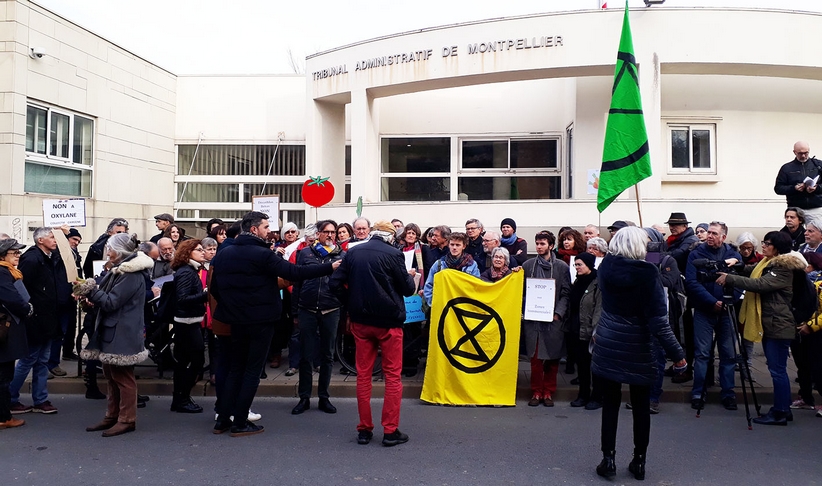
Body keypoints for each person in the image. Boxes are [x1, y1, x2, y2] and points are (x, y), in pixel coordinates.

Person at [210, 211, 337, 437]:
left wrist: (234, 306)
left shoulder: (223, 254)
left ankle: (222, 420)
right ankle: (239, 421)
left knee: (235, 368)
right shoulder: (263, 254)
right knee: (252, 370)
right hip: (260, 320)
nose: (269, 231)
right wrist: (330, 267)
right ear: (253, 229)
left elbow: (215, 290)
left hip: (235, 320)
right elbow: (295, 273)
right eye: (266, 227)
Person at [592, 227, 686, 480]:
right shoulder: (647, 273)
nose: (648, 246)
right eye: (645, 242)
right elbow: (659, 321)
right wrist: (678, 354)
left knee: (610, 405)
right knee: (641, 406)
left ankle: (608, 459)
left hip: (609, 339)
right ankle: (639, 461)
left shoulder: (606, 267)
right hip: (638, 344)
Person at [328, 220, 416, 447]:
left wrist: (350, 303)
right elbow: (408, 289)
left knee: (363, 375)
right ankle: (390, 430)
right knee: (393, 376)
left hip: (361, 321)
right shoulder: (394, 254)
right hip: (388, 322)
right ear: (390, 236)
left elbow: (334, 283)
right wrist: (408, 275)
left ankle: (365, 429)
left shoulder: (353, 253)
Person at [716, 231, 806, 425]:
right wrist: (737, 265)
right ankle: (782, 408)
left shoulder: (783, 268)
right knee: (776, 368)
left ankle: (781, 411)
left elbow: (760, 284)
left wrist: (729, 278)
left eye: (767, 243)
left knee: (777, 370)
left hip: (778, 325)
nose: (763, 246)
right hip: (772, 323)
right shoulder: (767, 263)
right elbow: (752, 271)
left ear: (777, 248)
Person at [74, 233, 153, 437]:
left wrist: (90, 290)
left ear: (119, 251)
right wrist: (90, 295)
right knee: (111, 375)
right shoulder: (120, 271)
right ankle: (113, 415)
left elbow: (111, 302)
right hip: (113, 329)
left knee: (122, 377)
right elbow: (107, 298)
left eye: (109, 248)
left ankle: (127, 419)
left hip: (122, 331)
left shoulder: (131, 274)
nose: (107, 252)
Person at [9, 228, 70, 415]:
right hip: (35, 318)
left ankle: (40, 399)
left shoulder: (48, 257)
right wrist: (29, 312)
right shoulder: (32, 259)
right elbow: (21, 289)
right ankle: (10, 398)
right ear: (40, 240)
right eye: (52, 237)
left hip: (48, 317)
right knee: (28, 360)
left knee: (42, 360)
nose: (55, 240)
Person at [685, 221, 742, 411]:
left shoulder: (733, 255)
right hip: (704, 310)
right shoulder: (696, 254)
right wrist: (711, 301)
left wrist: (727, 301)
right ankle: (698, 392)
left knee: (728, 354)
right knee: (702, 354)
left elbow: (740, 282)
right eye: (708, 232)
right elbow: (692, 283)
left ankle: (728, 393)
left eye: (714, 233)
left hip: (727, 312)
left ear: (723, 237)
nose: (709, 236)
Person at [291, 220, 345, 415]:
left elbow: (346, 285)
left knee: (327, 355)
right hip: (307, 309)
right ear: (319, 234)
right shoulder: (305, 253)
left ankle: (324, 397)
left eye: (333, 232)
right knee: (306, 355)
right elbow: (297, 282)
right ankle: (304, 397)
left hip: (331, 310)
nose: (330, 235)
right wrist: (295, 311)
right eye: (326, 232)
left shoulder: (342, 255)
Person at [521, 231, 571, 407]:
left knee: (552, 358)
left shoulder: (561, 267)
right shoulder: (527, 265)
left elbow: (566, 293)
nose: (539, 246)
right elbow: (520, 291)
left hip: (553, 320)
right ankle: (536, 392)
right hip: (533, 320)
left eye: (543, 244)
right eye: (537, 243)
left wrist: (558, 313)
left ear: (551, 246)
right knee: (535, 360)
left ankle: (548, 392)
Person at [169, 239, 209, 413]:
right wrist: (205, 295)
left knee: (185, 362)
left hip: (189, 322)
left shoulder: (190, 270)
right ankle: (182, 398)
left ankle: (180, 398)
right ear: (188, 253)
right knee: (195, 361)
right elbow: (182, 299)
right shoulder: (186, 272)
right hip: (187, 323)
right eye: (198, 250)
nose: (203, 252)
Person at [0, 238, 33, 430]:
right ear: (3, 256)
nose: (18, 256)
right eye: (14, 253)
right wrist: (26, 308)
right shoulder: (3, 273)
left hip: (6, 327)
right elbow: (11, 298)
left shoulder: (9, 272)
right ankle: (4, 417)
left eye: (19, 253)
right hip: (4, 329)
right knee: (4, 376)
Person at [567, 251, 603, 411]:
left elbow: (599, 309)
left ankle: (597, 397)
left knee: (594, 366)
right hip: (577, 329)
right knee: (581, 365)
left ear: (589, 265)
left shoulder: (597, 283)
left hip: (591, 331)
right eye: (575, 265)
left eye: (579, 265)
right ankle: (583, 395)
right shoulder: (578, 281)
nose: (577, 268)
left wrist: (596, 331)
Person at [423, 232, 480, 306]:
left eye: (458, 245)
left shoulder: (471, 264)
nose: (454, 248)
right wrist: (433, 304)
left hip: (464, 306)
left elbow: (476, 286)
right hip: (443, 305)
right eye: (452, 244)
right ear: (448, 245)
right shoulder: (439, 264)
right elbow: (429, 285)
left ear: (464, 246)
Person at [774, 141, 822, 221]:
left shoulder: (819, 165)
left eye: (806, 153)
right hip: (795, 208)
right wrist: (794, 188)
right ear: (794, 152)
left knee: (816, 232)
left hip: (815, 207)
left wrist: (817, 188)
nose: (803, 156)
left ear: (809, 150)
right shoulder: (786, 168)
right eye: (800, 153)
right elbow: (778, 189)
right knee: (795, 232)